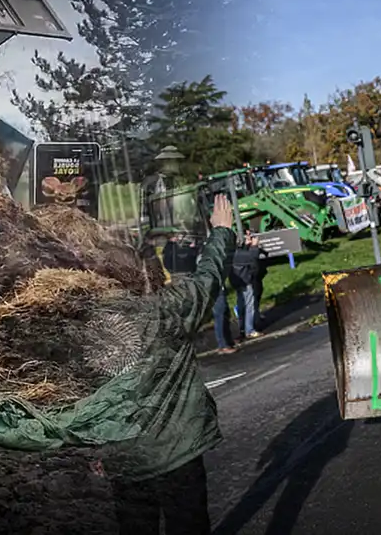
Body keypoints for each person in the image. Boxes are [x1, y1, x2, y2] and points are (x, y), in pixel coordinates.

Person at [107, 194, 238, 534]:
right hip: (176, 450)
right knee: (188, 523)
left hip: (123, 455)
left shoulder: (94, 325)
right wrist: (222, 232)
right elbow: (208, 279)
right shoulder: (169, 309)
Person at [228, 229, 263, 340]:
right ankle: (249, 330)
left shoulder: (229, 252)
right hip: (245, 281)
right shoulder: (238, 254)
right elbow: (252, 257)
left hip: (236, 281)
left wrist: (246, 246)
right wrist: (254, 246)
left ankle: (242, 329)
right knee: (249, 306)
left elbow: (242, 257)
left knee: (241, 305)